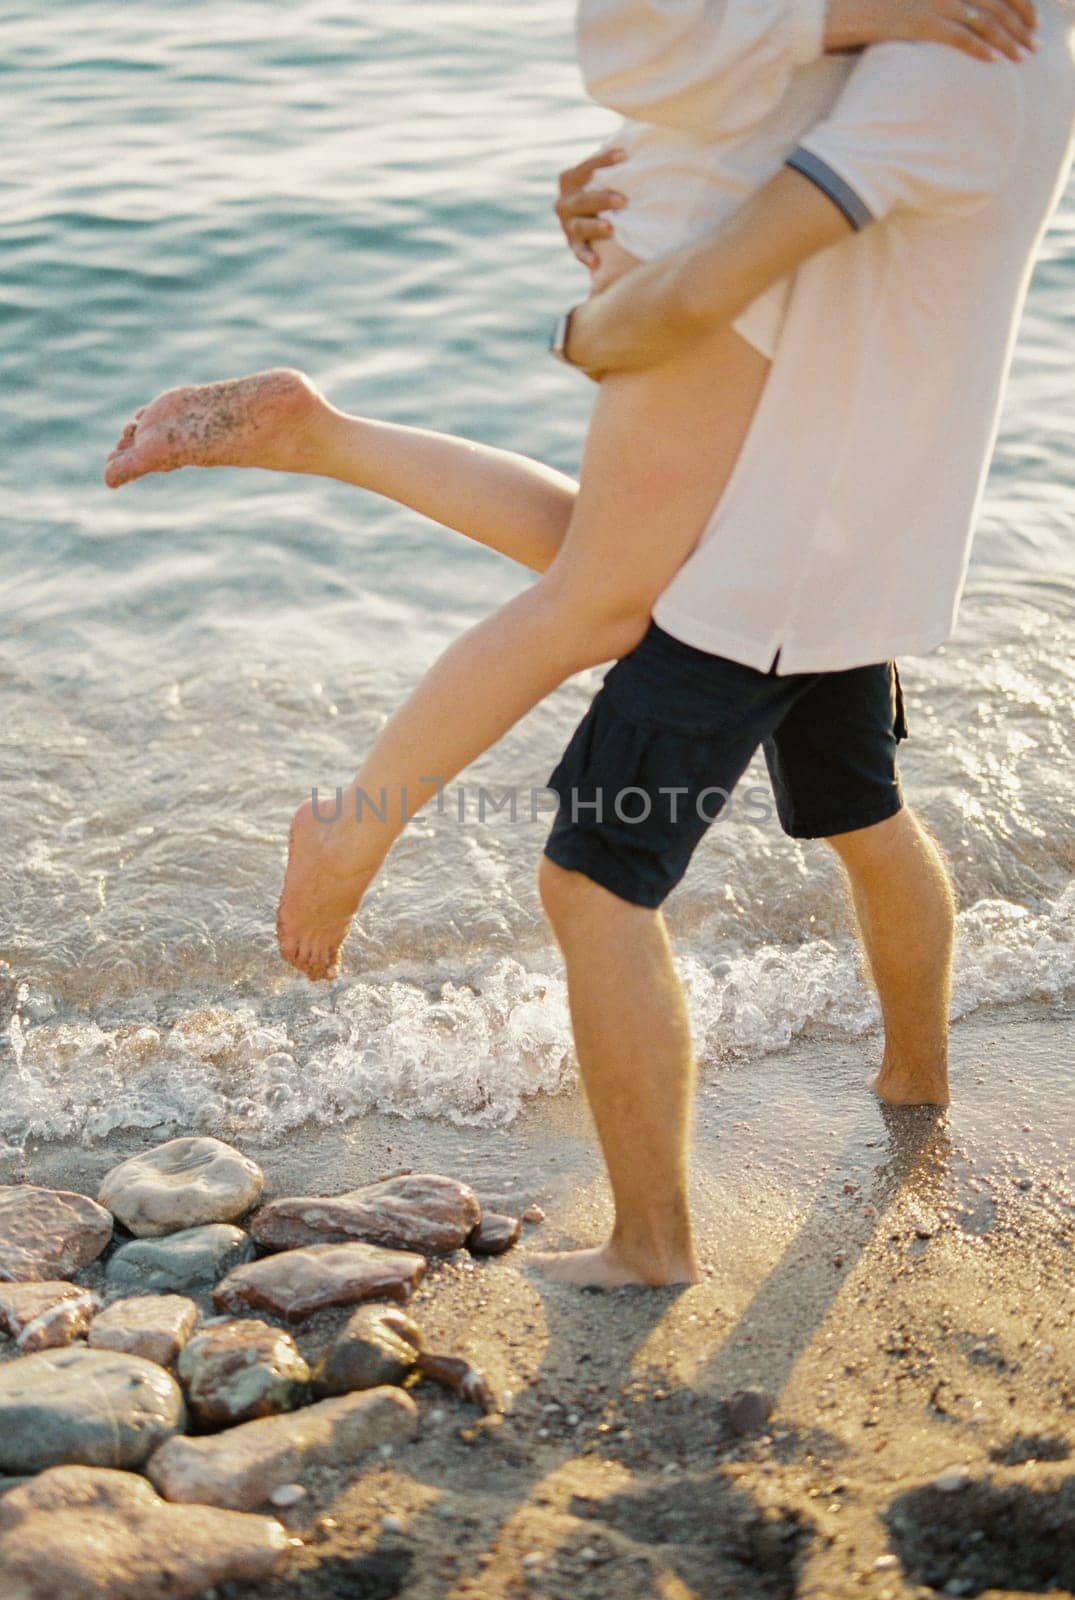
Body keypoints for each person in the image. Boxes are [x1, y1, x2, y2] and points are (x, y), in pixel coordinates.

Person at [105, 2, 1075, 1288]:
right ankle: (904, 1090)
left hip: (789, 487)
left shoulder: (962, 58)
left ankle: (664, 1225)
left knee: (605, 727)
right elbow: (664, 54)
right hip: (829, 492)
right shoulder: (995, 47)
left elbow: (694, 151)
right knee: (677, 649)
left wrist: (607, 302)